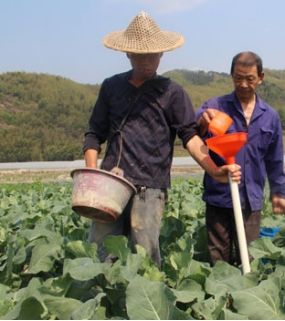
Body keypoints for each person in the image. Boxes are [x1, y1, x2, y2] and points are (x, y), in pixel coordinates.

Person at [82, 12, 241, 269]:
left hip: (150, 188)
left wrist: (213, 170)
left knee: (144, 259)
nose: (147, 61)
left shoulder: (172, 93)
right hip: (110, 182)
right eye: (140, 55)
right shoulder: (111, 87)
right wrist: (92, 174)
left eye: (152, 55)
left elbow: (189, 136)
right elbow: (94, 134)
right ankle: (105, 306)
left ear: (162, 54)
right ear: (127, 54)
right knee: (103, 256)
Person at [196, 51, 285, 266]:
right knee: (219, 259)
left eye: (250, 78)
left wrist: (278, 193)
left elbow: (275, 160)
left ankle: (245, 296)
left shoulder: (269, 116)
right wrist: (203, 122)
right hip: (219, 196)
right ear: (231, 76)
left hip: (251, 197)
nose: (244, 84)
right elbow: (192, 134)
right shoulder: (215, 106)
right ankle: (222, 299)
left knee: (249, 257)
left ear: (260, 77)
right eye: (238, 78)